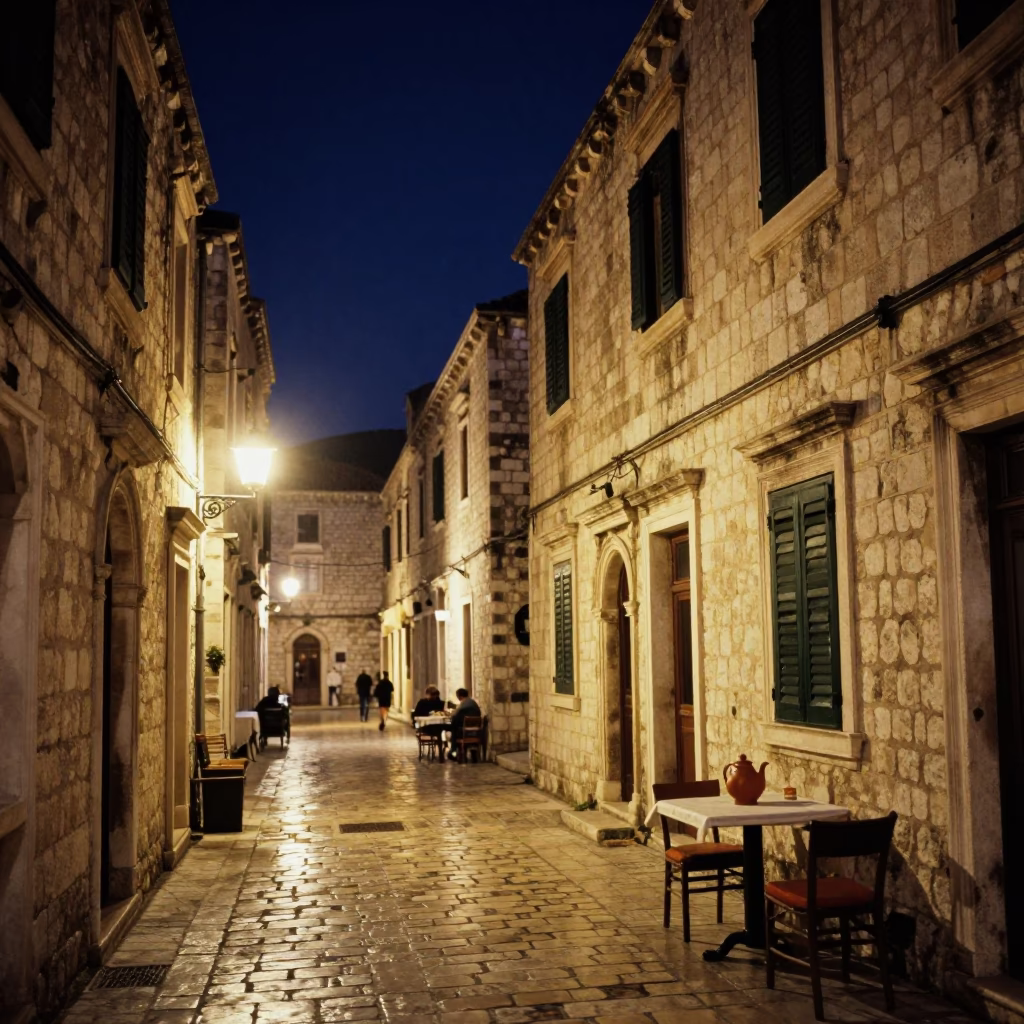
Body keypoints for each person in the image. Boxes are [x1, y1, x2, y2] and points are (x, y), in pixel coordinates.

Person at [447, 687, 481, 760]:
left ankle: (453, 752)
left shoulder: (463, 705)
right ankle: (458, 752)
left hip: (464, 733)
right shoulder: (472, 702)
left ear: (460, 697)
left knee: (454, 731)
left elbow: (455, 718)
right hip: (476, 732)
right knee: (455, 730)